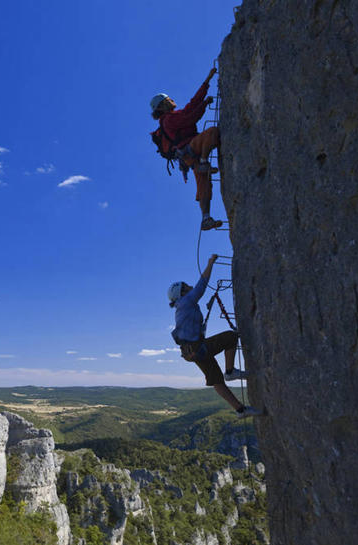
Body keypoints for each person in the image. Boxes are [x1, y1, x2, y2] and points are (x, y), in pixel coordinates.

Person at [168, 254, 261, 418]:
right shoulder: (186, 302)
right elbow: (201, 285)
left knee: (216, 380)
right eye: (186, 286)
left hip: (191, 352)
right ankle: (230, 371)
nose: (189, 286)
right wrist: (210, 263)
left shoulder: (181, 307)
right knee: (230, 337)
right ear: (182, 292)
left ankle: (240, 410)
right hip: (198, 348)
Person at [151, 67, 223, 230]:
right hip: (190, 149)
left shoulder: (172, 116)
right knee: (212, 133)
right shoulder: (168, 120)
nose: (172, 99)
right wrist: (204, 105)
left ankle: (206, 218)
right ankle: (204, 162)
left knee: (204, 183)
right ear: (162, 106)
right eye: (168, 99)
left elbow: (191, 106)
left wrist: (207, 81)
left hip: (188, 155)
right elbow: (191, 118)